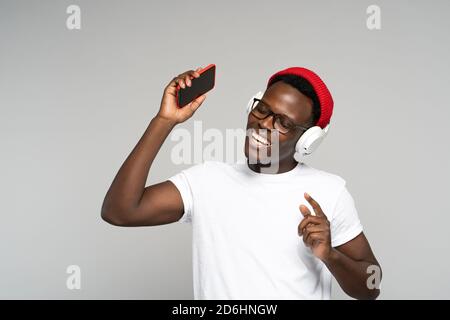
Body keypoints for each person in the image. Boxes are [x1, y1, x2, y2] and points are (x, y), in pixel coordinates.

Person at [101, 66, 382, 300]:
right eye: (262, 109)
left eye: (283, 123)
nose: (264, 124)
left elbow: (371, 285)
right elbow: (120, 211)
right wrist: (164, 120)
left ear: (308, 140)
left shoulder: (329, 192)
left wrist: (331, 255)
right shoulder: (207, 180)